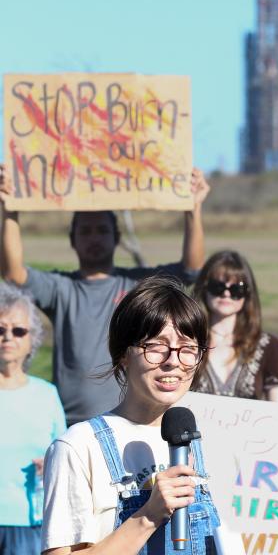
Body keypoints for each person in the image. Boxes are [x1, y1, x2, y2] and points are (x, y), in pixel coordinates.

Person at [0, 163, 210, 426]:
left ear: (117, 237)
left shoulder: (139, 285)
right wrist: (9, 210)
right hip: (71, 423)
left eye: (102, 230)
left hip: (131, 420)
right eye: (85, 231)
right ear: (72, 239)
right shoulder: (61, 288)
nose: (94, 238)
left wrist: (194, 209)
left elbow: (191, 268)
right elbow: (13, 274)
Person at [41, 275, 225, 554]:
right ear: (124, 354)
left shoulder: (207, 440)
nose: (173, 361)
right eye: (155, 347)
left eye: (188, 349)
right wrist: (148, 516)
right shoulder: (78, 446)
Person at [192, 249, 278, 512]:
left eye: (237, 288)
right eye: (218, 285)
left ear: (248, 295)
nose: (226, 294)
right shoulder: (186, 344)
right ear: (204, 287)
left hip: (250, 479)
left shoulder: (269, 347)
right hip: (195, 470)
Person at [0, 284, 65, 554]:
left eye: (18, 331)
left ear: (31, 340)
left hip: (29, 523)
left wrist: (48, 466)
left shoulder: (47, 395)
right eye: (0, 330)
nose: (8, 338)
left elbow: (64, 458)